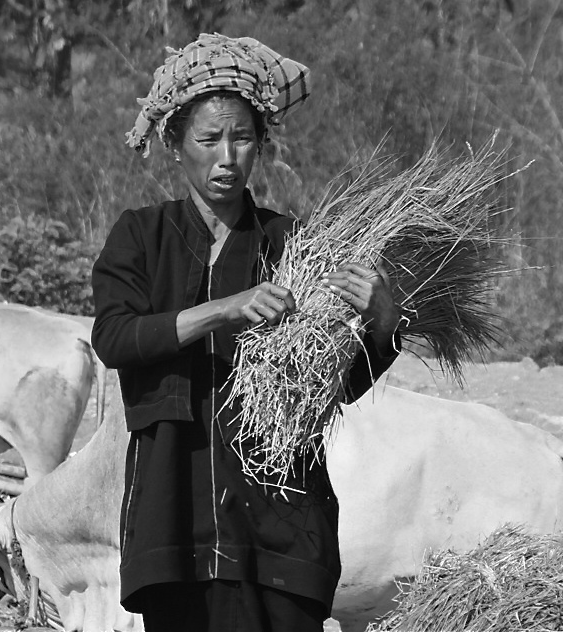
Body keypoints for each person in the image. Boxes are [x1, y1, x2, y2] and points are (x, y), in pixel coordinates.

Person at [90, 33, 401, 632]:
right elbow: (116, 339)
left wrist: (382, 323)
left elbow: (332, 389)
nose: (227, 158)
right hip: (171, 527)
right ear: (174, 144)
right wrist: (225, 309)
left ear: (261, 143)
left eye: (242, 138)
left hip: (279, 532)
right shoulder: (140, 237)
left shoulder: (297, 247)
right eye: (208, 140)